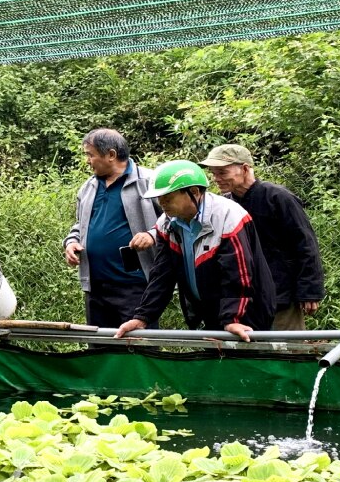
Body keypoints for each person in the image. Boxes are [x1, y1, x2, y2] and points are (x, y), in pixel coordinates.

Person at [116, 160, 276, 341]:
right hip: (210, 311)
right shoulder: (167, 222)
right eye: (159, 198)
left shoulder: (227, 216)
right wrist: (142, 317)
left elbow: (238, 274)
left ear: (194, 192)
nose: (162, 204)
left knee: (248, 365)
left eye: (167, 198)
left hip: (247, 313)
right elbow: (162, 275)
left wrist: (233, 319)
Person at [200, 144, 325, 331]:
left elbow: (305, 243)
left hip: (281, 294)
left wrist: (309, 291)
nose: (216, 179)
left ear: (244, 168)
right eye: (213, 173)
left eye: (222, 173)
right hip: (243, 298)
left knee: (286, 352)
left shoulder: (278, 197)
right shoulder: (224, 204)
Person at [62, 129, 161, 327]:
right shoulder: (88, 186)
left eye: (90, 155)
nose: (88, 161)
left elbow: (175, 217)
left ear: (111, 155)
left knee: (137, 347)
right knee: (100, 349)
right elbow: (80, 224)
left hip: (135, 286)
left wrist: (152, 234)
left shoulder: (149, 181)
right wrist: (71, 241)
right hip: (95, 288)